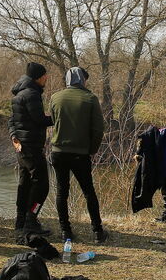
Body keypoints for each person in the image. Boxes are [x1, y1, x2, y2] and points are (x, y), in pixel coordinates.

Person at [49, 67, 107, 243]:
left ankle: (65, 231)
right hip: (80, 154)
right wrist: (92, 150)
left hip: (58, 152)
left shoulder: (55, 97)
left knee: (61, 191)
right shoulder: (90, 98)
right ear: (82, 80)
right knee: (88, 191)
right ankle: (97, 232)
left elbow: (54, 121)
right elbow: (98, 129)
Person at [8, 62, 53, 240]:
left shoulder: (19, 94)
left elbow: (12, 120)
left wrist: (14, 136)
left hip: (22, 147)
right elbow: (39, 119)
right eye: (44, 75)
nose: (46, 78)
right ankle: (31, 221)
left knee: (25, 183)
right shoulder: (32, 94)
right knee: (42, 186)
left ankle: (20, 221)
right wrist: (59, 116)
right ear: (38, 77)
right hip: (32, 146)